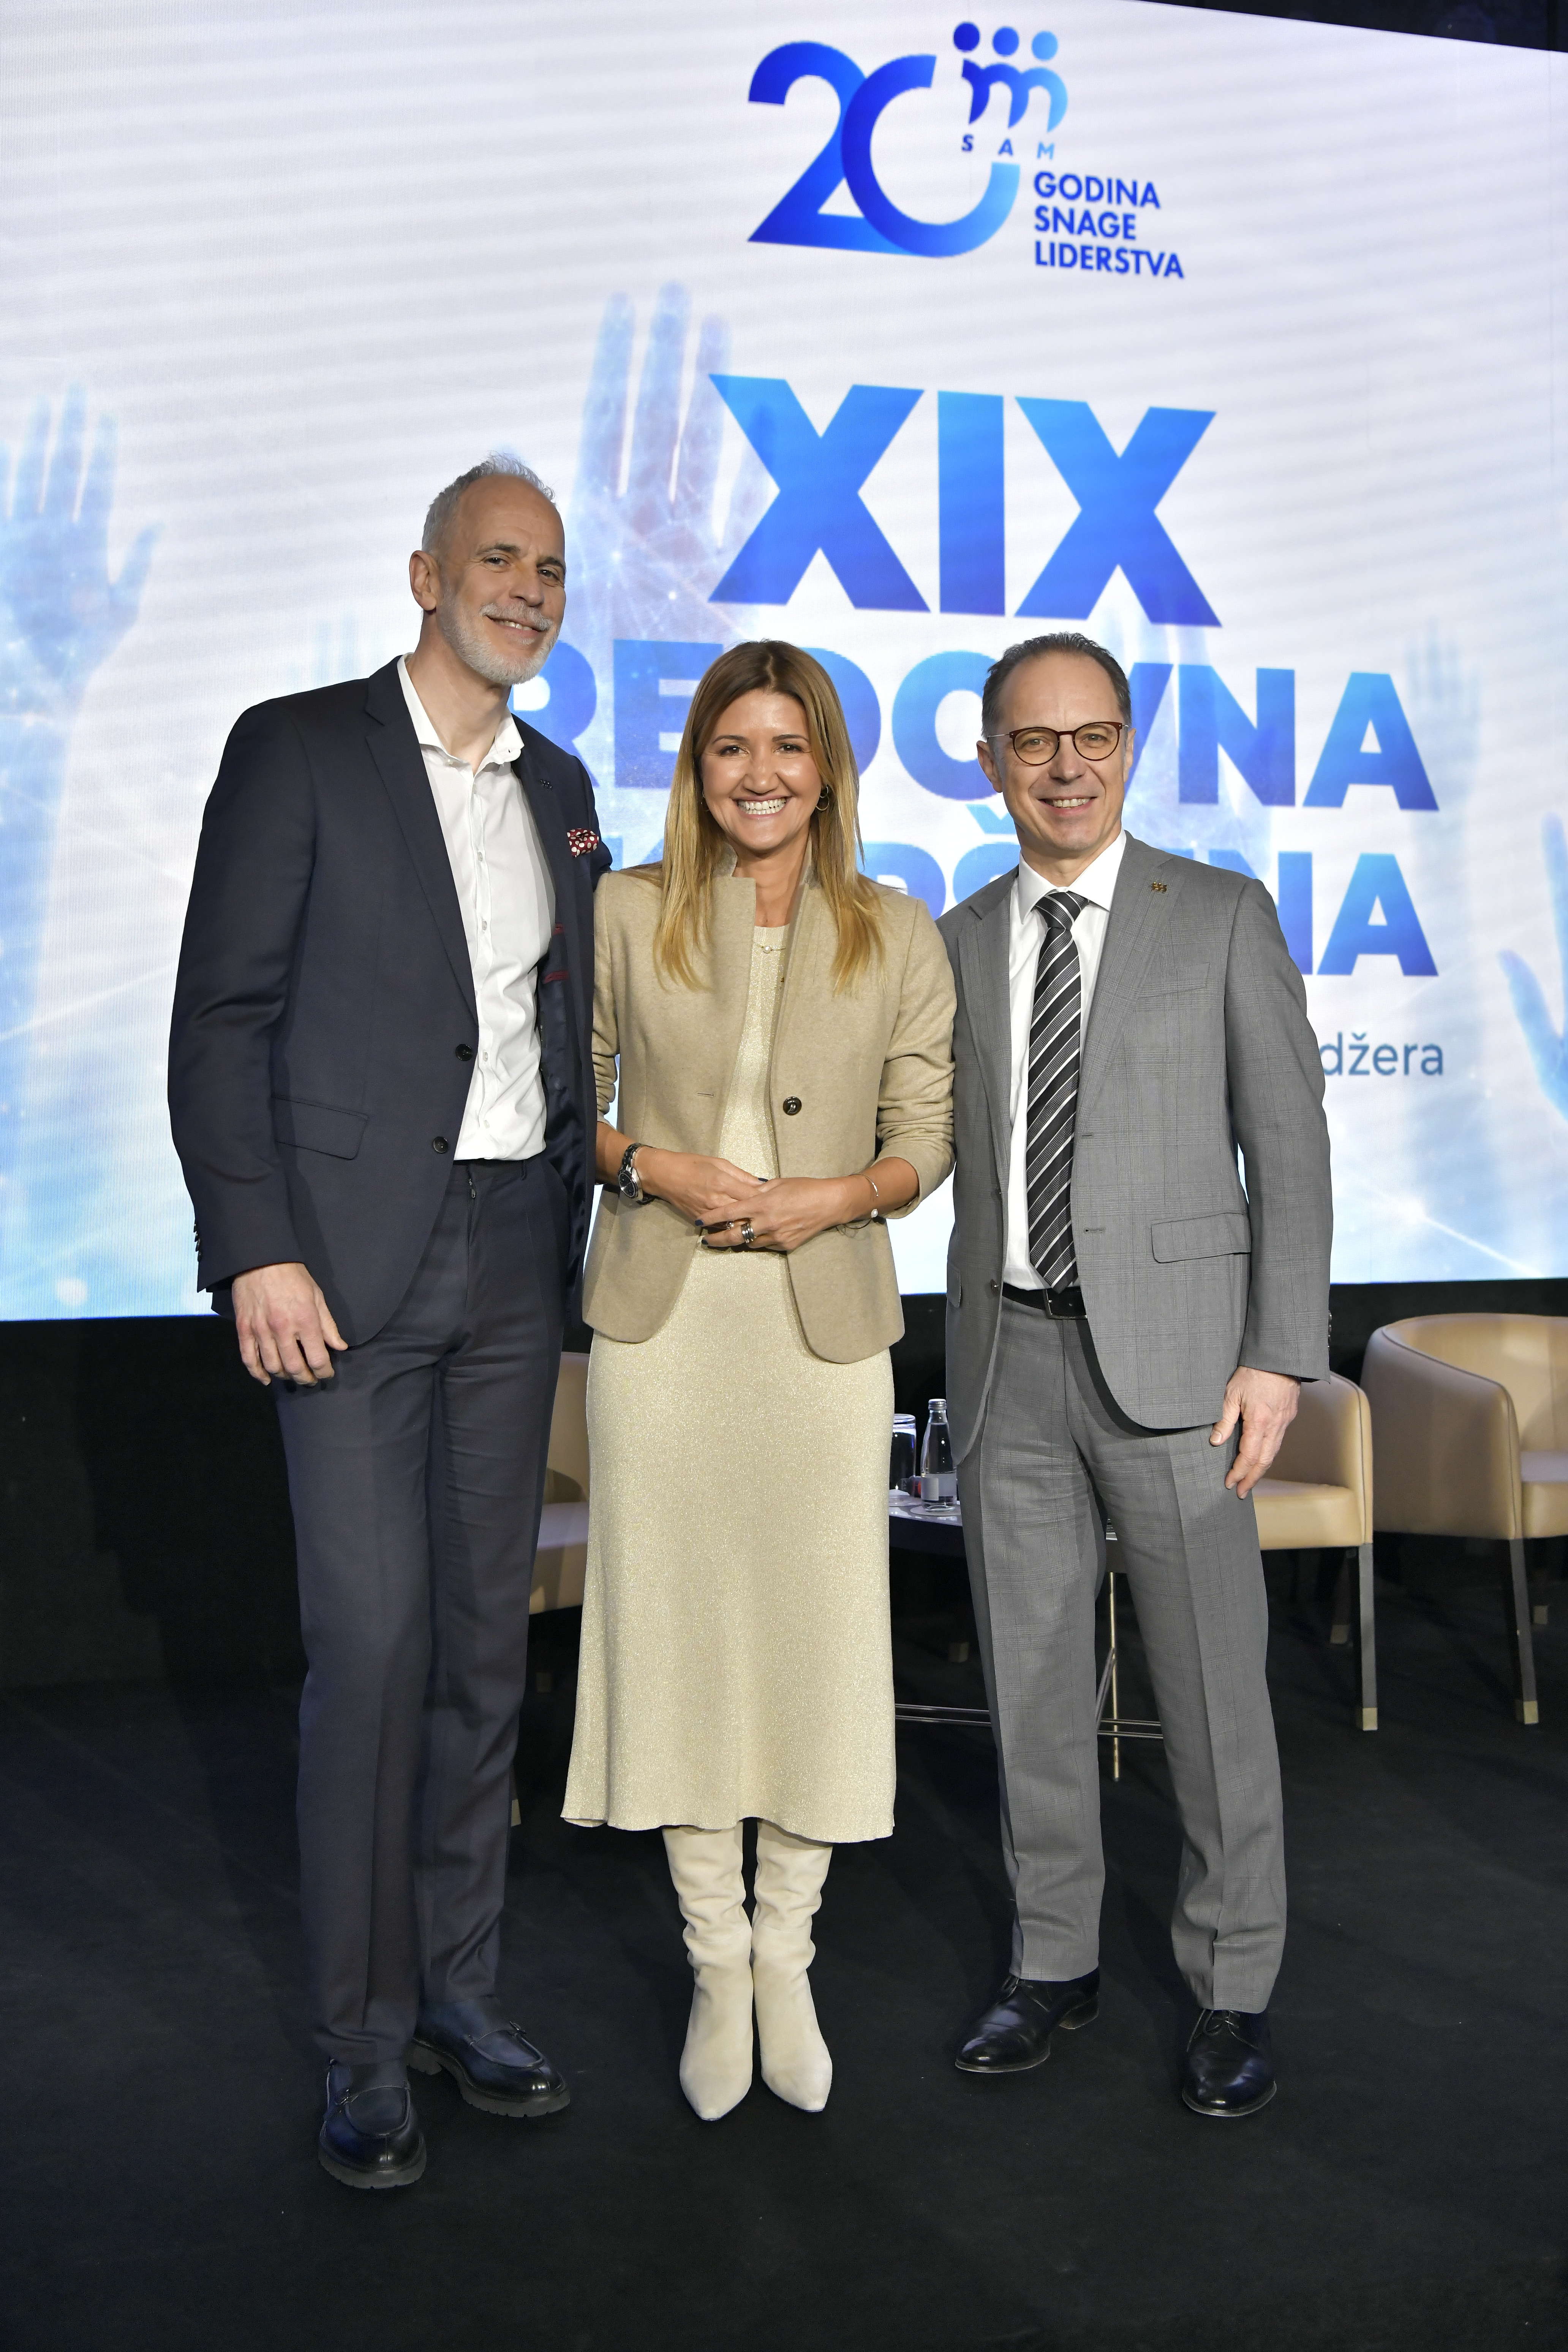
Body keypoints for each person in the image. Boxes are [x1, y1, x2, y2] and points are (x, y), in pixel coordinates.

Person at [168, 455, 610, 2190]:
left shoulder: (562, 788)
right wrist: (255, 1250)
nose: (527, 591)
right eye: (498, 560)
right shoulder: (298, 749)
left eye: (549, 570)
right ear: (425, 575)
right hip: (344, 1272)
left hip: (514, 1260)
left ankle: (459, 1995)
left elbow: (556, 1030)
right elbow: (222, 1021)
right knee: (371, 1651)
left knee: (485, 1651)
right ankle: (361, 2042)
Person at [938, 630, 1331, 2120]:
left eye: (1093, 735)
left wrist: (1280, 1353)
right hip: (1010, 1363)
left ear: (1129, 745)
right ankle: (1053, 1962)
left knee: (1216, 1700)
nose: (1067, 767)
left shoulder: (1219, 915)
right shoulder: (954, 938)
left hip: (1184, 1375)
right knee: (1033, 1692)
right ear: (990, 760)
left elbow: (1289, 1151)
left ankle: (1233, 1986)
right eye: (1035, 741)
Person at [563, 640, 955, 2121]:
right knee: (678, 1637)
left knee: (812, 1641)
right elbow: (567, 1098)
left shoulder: (893, 928)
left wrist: (836, 1197)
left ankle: (787, 1951)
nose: (761, 774)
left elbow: (928, 1133)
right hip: (665, 1336)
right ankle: (714, 1961)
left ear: (829, 769)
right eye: (733, 746)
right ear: (698, 766)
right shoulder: (628, 908)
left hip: (818, 1339)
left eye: (789, 747)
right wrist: (650, 1165)